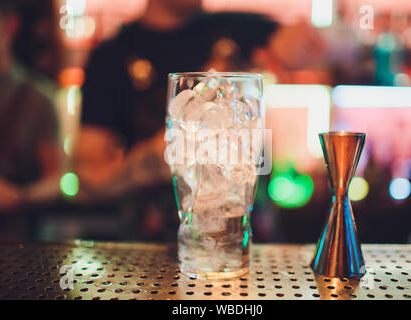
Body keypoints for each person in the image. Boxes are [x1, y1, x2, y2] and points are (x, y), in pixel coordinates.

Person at [76, 0, 278, 240]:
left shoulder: (240, 30)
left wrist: (304, 45)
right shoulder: (111, 56)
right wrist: (153, 158)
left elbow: (318, 42)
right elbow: (90, 179)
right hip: (152, 252)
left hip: (251, 244)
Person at [0, 0, 61, 238]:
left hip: (20, 244)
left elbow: (59, 181)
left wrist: (17, 196)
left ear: (9, 26)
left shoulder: (37, 99)